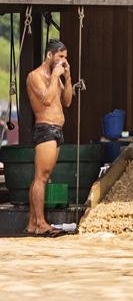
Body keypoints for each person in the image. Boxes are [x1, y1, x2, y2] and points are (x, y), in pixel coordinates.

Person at [24, 40, 75, 237]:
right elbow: (46, 99)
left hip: (57, 130)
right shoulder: (35, 76)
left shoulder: (57, 77)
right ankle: (41, 222)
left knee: (42, 177)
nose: (64, 61)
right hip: (45, 128)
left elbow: (67, 101)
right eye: (60, 57)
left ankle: (32, 223)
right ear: (49, 56)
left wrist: (67, 78)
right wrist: (54, 76)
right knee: (41, 177)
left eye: (65, 57)